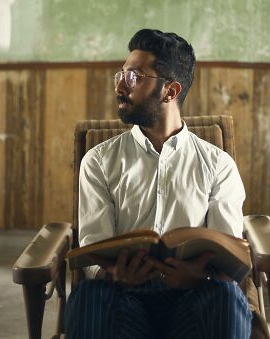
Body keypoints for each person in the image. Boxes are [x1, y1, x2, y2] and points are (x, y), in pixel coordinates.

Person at [65, 28, 252, 339]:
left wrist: (199, 275)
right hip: (124, 295)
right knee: (88, 297)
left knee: (226, 299)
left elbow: (227, 256)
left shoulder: (218, 165)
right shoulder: (99, 161)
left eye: (134, 77)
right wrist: (112, 273)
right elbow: (93, 251)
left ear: (170, 91)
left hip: (193, 296)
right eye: (120, 76)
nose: (120, 87)